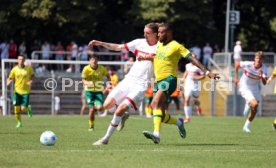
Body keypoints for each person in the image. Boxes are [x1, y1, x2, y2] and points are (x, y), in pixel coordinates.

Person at [143, 23, 219, 144]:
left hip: (169, 79)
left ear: (168, 33)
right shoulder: (159, 44)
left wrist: (207, 71)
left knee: (154, 104)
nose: (158, 35)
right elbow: (158, 58)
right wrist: (146, 57)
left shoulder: (176, 46)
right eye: (158, 32)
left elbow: (192, 59)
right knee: (160, 115)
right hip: (157, 81)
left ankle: (156, 134)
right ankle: (179, 122)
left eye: (161, 32)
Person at [89, 22, 159, 145]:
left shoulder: (161, 47)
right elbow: (118, 47)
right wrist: (100, 43)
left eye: (148, 33)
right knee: (106, 105)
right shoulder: (139, 42)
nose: (145, 35)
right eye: (144, 32)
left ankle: (105, 139)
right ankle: (123, 115)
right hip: (128, 80)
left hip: (141, 85)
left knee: (119, 109)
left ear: (155, 34)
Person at [234, 51, 267, 133]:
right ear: (254, 59)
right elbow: (237, 64)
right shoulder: (248, 64)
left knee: (255, 108)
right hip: (244, 86)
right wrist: (236, 77)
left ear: (262, 60)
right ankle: (248, 102)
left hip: (254, 88)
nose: (258, 60)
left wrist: (261, 76)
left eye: (260, 58)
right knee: (254, 103)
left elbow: (265, 83)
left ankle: (246, 127)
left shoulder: (263, 68)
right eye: (257, 58)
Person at [82, 53, 110, 131]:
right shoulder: (86, 69)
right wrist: (87, 83)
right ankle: (91, 126)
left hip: (98, 92)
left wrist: (108, 84)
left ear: (98, 61)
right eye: (92, 60)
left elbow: (108, 76)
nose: (94, 61)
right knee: (91, 110)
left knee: (100, 108)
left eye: (95, 60)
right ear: (89, 61)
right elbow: (83, 80)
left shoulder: (102, 69)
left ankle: (93, 109)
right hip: (89, 92)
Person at [7, 55, 34, 128]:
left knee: (23, 108)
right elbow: (10, 77)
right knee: (16, 108)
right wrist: (8, 82)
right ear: (17, 60)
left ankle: (28, 108)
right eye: (19, 59)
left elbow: (33, 76)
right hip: (17, 91)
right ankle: (19, 122)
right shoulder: (14, 69)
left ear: (24, 60)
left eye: (22, 59)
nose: (21, 60)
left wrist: (30, 81)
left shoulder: (28, 68)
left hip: (25, 91)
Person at [182, 53, 205, 123]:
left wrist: (196, 78)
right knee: (186, 99)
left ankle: (199, 108)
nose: (192, 59)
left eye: (194, 57)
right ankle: (187, 117)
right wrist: (183, 78)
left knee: (195, 101)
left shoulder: (199, 67)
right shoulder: (187, 65)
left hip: (196, 86)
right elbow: (186, 71)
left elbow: (203, 76)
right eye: (191, 57)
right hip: (188, 85)